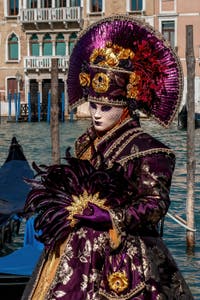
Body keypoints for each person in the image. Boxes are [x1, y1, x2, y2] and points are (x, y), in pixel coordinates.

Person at [22, 15, 194, 299]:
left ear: (126, 107)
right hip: (76, 249)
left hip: (123, 255)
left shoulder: (150, 149)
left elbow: (156, 204)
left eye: (105, 107)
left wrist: (111, 216)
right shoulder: (87, 143)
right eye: (93, 106)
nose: (97, 114)